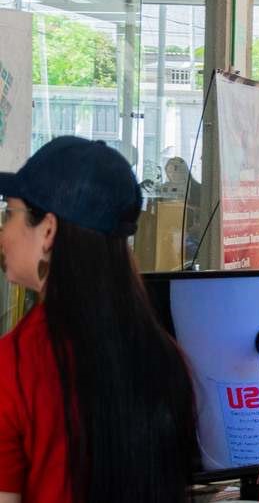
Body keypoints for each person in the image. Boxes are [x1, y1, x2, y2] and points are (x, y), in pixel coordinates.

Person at [0, 136, 197, 503]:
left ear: (47, 231)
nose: (3, 234)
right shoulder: (166, 357)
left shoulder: (15, 367)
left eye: (10, 213)